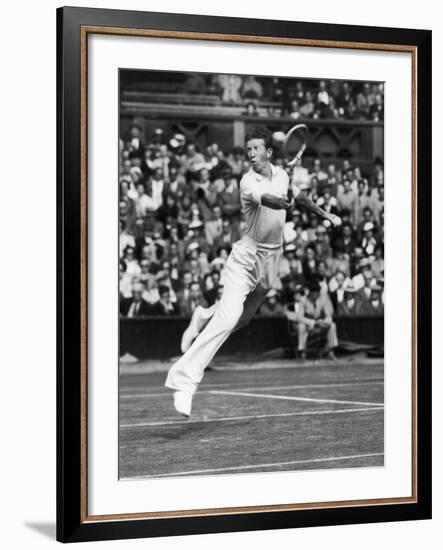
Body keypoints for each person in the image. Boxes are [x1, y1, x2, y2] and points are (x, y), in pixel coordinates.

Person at [164, 127, 342, 417]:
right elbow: (270, 200)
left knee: (242, 319)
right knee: (231, 316)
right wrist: (282, 200)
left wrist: (326, 215)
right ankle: (185, 383)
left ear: (269, 152)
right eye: (248, 149)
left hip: (273, 257)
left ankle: (204, 315)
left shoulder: (283, 175)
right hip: (247, 256)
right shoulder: (248, 181)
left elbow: (302, 198)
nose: (250, 154)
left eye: (256, 149)